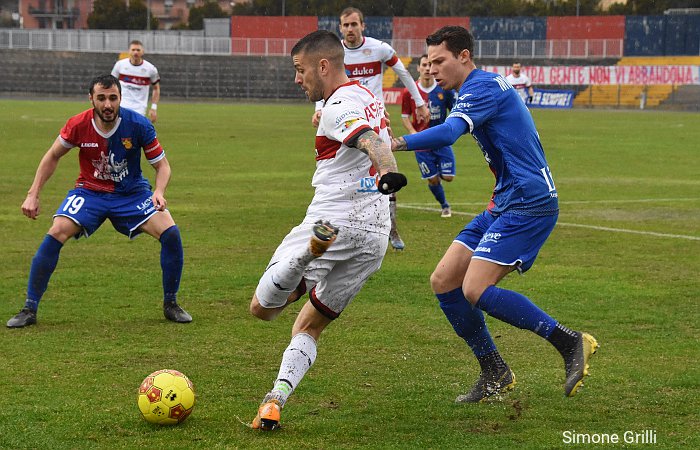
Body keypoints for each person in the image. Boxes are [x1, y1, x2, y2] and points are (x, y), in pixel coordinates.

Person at [391, 26, 598, 402]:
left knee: (474, 288)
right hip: (504, 200)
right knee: (444, 280)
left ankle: (569, 342)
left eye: (440, 61)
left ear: (464, 56)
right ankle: (494, 372)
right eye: (430, 62)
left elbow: (449, 132)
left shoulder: (480, 87)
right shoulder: (476, 88)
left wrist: (395, 143)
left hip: (529, 202)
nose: (433, 69)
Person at [249, 30, 407, 431]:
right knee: (309, 323)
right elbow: (381, 135)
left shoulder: (338, 106)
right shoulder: (370, 99)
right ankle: (274, 401)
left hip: (334, 220)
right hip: (374, 234)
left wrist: (388, 170)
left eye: (300, 70)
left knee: (263, 309)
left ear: (323, 66)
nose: (297, 79)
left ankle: (306, 254)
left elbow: (370, 140)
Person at [6, 74, 191, 328]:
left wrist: (158, 191)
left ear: (120, 99)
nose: (107, 105)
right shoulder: (78, 124)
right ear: (91, 98)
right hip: (89, 192)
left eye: (112, 98)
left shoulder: (138, 125)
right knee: (56, 231)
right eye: (101, 98)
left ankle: (171, 303)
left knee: (170, 233)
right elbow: (52, 156)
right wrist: (32, 193)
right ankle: (29, 308)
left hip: (132, 194)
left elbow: (163, 166)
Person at [312, 7, 428, 251]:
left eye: (354, 24)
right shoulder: (335, 54)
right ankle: (338, 223)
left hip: (375, 120)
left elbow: (404, 74)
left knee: (383, 170)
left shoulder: (379, 49)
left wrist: (419, 102)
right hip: (343, 120)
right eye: (346, 25)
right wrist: (319, 107)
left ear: (363, 25)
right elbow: (320, 80)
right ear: (340, 28)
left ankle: (390, 227)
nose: (350, 29)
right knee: (340, 173)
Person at [400, 54, 457, 218]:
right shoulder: (408, 91)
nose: (427, 68)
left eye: (429, 65)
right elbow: (404, 116)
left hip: (441, 140)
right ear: (418, 68)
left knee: (448, 177)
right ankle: (445, 205)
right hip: (422, 143)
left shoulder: (443, 89)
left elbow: (454, 110)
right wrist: (413, 133)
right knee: (432, 180)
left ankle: (437, 169)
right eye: (424, 65)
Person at [111, 40, 161, 122]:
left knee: (134, 133)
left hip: (140, 108)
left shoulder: (151, 69)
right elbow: (111, 84)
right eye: (133, 50)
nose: (135, 52)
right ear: (129, 51)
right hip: (122, 105)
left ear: (143, 52)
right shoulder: (120, 65)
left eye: (138, 50)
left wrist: (153, 108)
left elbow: (156, 88)